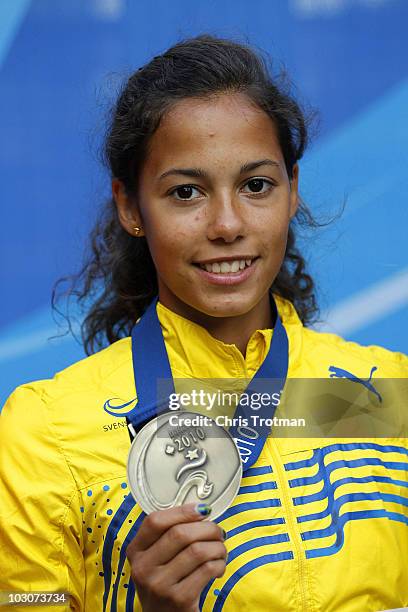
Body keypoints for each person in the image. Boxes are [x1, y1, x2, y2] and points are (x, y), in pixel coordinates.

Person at [0, 34, 407, 612]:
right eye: (186, 192)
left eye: (256, 185)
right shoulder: (45, 430)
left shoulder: (388, 392)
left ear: (293, 190)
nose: (226, 224)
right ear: (130, 206)